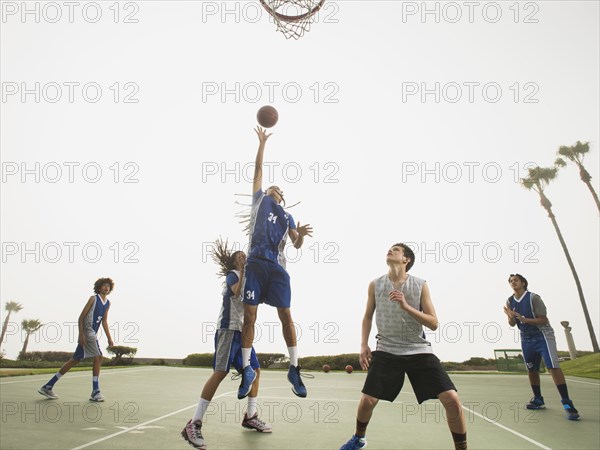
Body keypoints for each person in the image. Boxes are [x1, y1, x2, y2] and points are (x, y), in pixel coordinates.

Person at [340, 244, 468, 450]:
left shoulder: (420, 284)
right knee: (367, 400)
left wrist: (406, 306)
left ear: (406, 259)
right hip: (387, 349)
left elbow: (433, 323)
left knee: (452, 398)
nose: (390, 250)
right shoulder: (375, 284)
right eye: (390, 248)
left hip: (418, 348)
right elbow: (367, 316)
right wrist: (364, 344)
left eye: (396, 249)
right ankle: (359, 438)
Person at [238, 126, 313, 400]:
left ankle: (294, 367)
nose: (273, 188)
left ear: (282, 198)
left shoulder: (288, 216)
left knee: (286, 315)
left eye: (277, 189)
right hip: (256, 264)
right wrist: (261, 144)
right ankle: (246, 368)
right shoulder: (259, 201)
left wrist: (301, 236)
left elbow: (295, 243)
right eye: (271, 186)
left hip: (278, 268)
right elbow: (257, 170)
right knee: (250, 316)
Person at [181, 241, 271, 450]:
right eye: (239, 256)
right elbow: (237, 293)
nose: (242, 257)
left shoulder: (249, 278)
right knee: (220, 372)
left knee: (256, 370)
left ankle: (250, 416)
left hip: (243, 334)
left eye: (244, 256)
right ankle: (193, 423)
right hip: (228, 330)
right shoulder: (232, 275)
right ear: (233, 261)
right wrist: (244, 271)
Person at [503, 273, 580, 420]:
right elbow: (512, 324)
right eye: (511, 281)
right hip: (526, 338)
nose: (513, 283)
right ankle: (538, 399)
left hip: (543, 336)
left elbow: (543, 320)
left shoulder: (533, 298)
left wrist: (524, 319)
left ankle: (567, 403)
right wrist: (511, 317)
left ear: (523, 283)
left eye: (516, 280)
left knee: (553, 366)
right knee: (531, 369)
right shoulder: (509, 300)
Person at [38, 278, 115, 402]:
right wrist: (81, 334)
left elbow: (104, 321)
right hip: (87, 331)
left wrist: (109, 338)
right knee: (98, 356)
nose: (106, 288)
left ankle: (48, 386)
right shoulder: (93, 299)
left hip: (92, 333)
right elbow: (81, 317)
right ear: (99, 287)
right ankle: (96, 391)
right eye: (104, 285)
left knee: (75, 360)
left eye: (108, 286)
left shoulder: (108, 303)